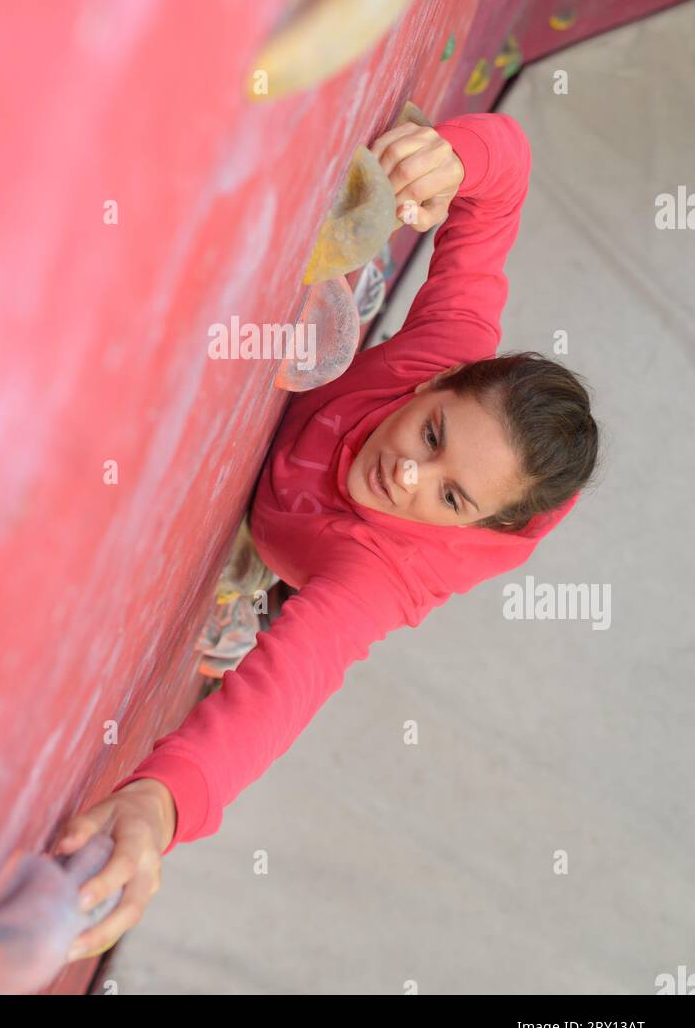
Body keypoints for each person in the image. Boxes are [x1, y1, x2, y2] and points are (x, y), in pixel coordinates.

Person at [52, 110, 600, 963]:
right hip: (349, 396)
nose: (409, 476)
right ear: (443, 379)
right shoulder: (444, 346)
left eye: (451, 496)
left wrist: (159, 804)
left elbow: (283, 694)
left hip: (290, 551)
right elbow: (506, 180)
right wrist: (454, 159)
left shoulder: (372, 579)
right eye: (431, 435)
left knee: (252, 612)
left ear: (477, 523)